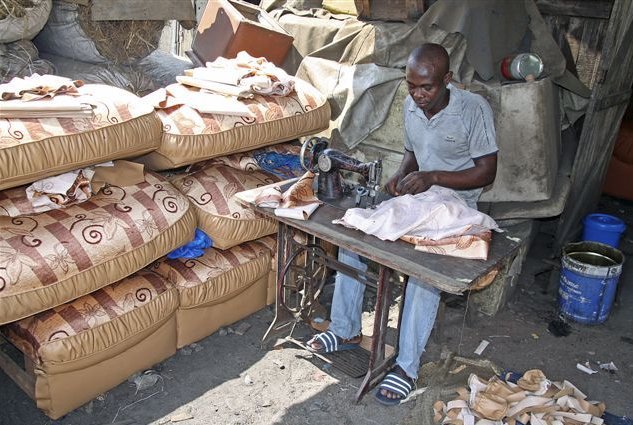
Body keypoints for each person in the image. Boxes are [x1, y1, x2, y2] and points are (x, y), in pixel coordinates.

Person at [306, 43, 498, 405]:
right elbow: (412, 154)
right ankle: (345, 329)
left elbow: (487, 171)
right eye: (412, 86)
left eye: (427, 87)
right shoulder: (413, 104)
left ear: (447, 80)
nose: (418, 94)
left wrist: (434, 177)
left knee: (422, 272)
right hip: (420, 197)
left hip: (455, 204)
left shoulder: (473, 109)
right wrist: (397, 180)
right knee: (355, 234)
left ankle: (407, 366)